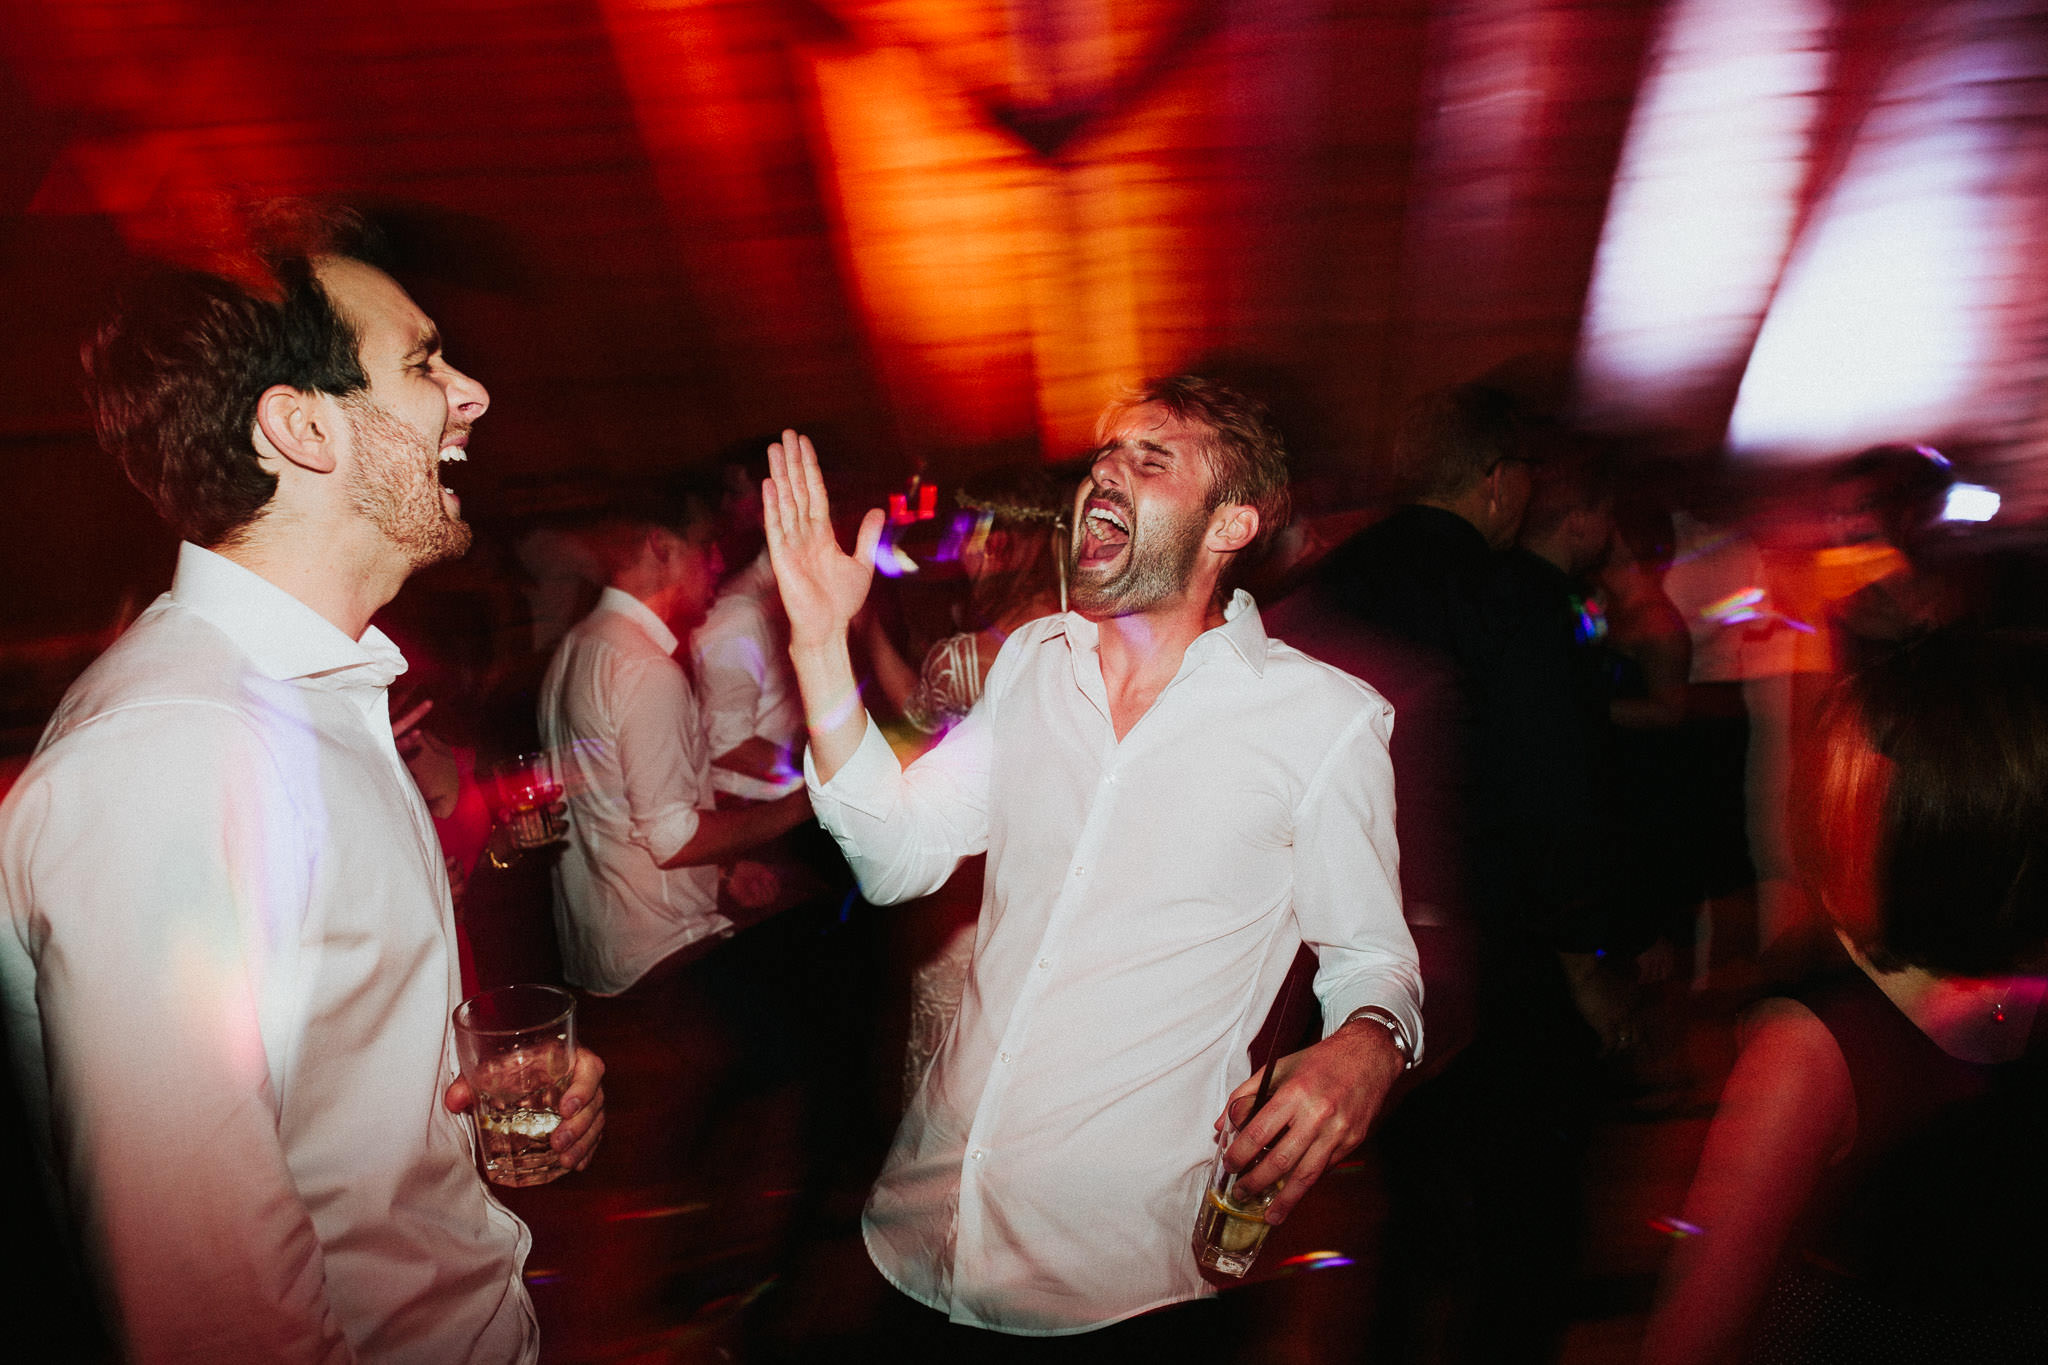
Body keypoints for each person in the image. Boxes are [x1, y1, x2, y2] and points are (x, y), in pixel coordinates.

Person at [0, 207, 607, 1363]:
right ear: (301, 428)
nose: (468, 392)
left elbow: (323, 1110)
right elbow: (209, 1309)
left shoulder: (317, 698)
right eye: (424, 363)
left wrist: (470, 1111)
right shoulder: (165, 763)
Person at [763, 375, 1423, 1346]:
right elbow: (898, 854)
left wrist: (1367, 1043)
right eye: (1103, 456)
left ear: (1230, 522)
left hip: (1113, 1287)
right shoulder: (1033, 662)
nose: (1104, 473)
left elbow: (1373, 958)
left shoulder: (1321, 722)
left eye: (1150, 457)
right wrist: (821, 645)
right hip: (921, 1229)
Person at [1642, 627, 2048, 1363]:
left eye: (1850, 778)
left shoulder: (1812, 1049)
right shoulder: (2020, 993)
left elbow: (1691, 1339)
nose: (1816, 801)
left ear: (1938, 817)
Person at [539, 490, 812, 999]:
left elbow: (616, 810)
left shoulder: (576, 645)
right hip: (665, 952)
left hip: (601, 950)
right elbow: (672, 839)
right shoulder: (644, 669)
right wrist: (808, 800)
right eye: (705, 546)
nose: (716, 562)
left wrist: (723, 872)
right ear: (660, 546)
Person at [856, 463, 1070, 1100]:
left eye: (972, 536)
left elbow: (920, 724)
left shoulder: (969, 656)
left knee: (952, 1083)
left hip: (972, 899)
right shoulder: (1089, 636)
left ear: (1002, 544)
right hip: (1054, 894)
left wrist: (865, 625)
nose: (964, 552)